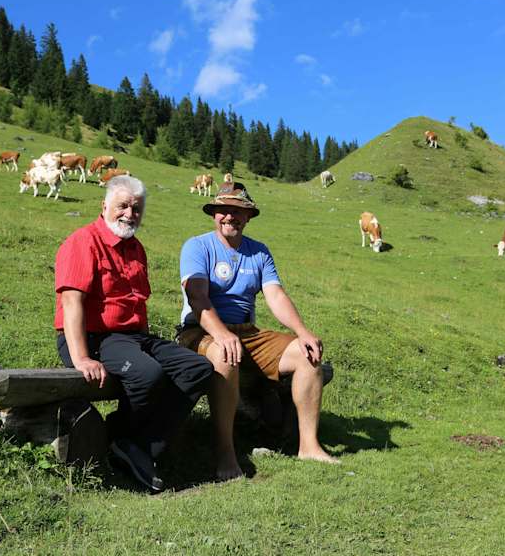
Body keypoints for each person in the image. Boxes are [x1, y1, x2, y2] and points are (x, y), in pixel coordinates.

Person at [54, 175, 213, 492]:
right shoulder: (83, 242)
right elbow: (72, 302)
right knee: (146, 373)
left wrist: (145, 342)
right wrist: (82, 357)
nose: (129, 214)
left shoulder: (136, 249)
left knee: (197, 367)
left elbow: (137, 304)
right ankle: (122, 440)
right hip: (93, 337)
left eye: (136, 208)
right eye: (123, 206)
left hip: (133, 338)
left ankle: (136, 445)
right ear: (105, 205)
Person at [177, 182, 338, 480]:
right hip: (200, 330)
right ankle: (225, 452)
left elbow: (275, 295)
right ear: (214, 214)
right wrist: (222, 334)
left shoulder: (259, 253)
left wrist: (302, 331)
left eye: (238, 211)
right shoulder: (197, 246)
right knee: (225, 355)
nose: (231, 217)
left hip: (247, 332)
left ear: (248, 216)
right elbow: (197, 297)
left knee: (308, 356)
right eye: (224, 210)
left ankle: (309, 446)